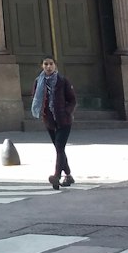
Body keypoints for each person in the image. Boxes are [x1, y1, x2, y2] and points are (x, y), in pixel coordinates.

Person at [31, 56, 76, 189]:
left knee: (60, 147)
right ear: (42, 66)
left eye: (51, 64)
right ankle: (68, 175)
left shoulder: (62, 81)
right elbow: (35, 98)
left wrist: (66, 111)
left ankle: (56, 176)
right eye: (46, 64)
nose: (48, 67)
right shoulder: (38, 82)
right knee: (58, 148)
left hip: (64, 121)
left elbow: (72, 100)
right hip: (49, 120)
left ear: (55, 65)